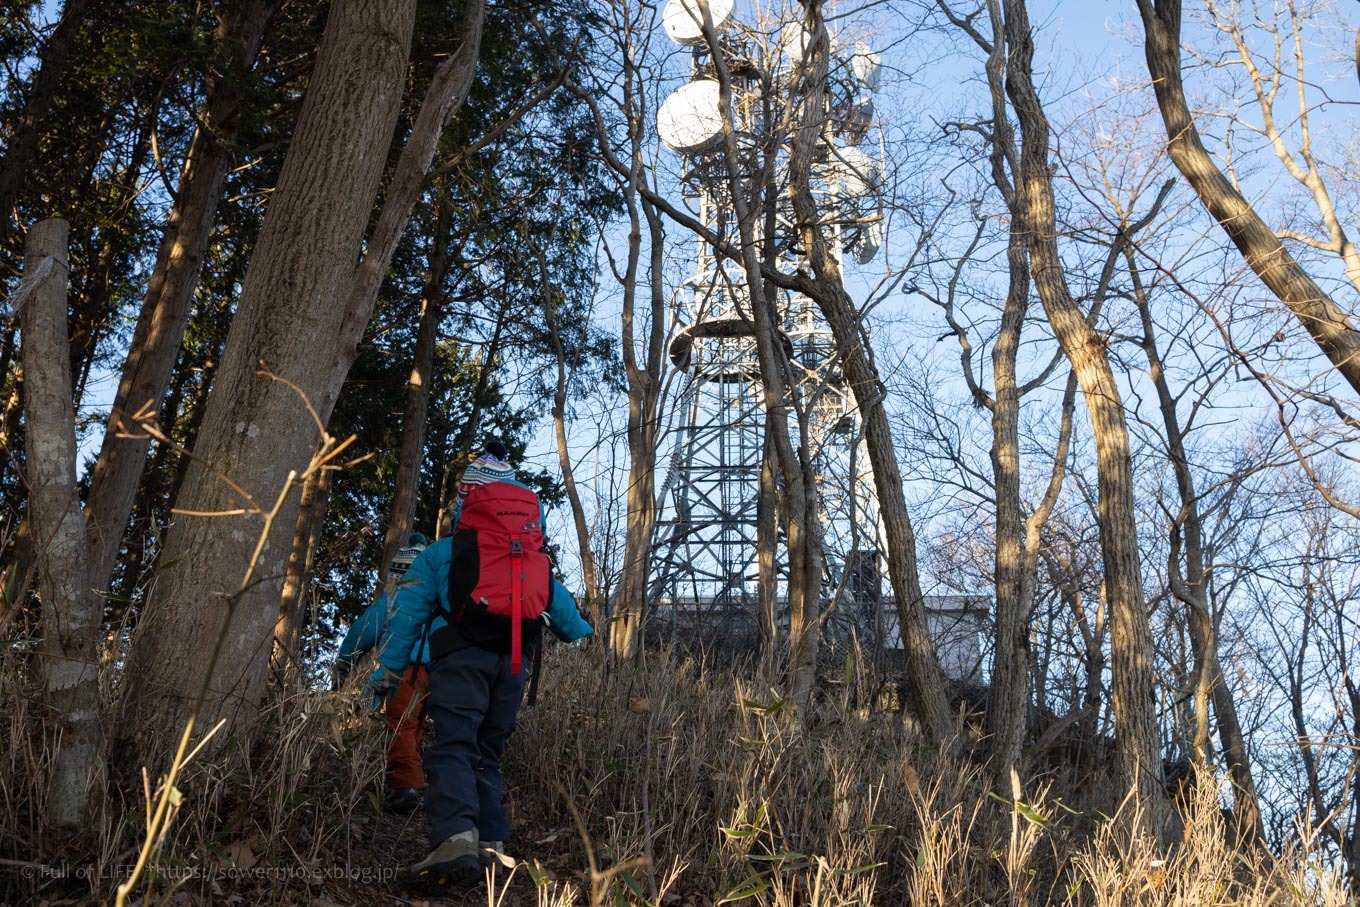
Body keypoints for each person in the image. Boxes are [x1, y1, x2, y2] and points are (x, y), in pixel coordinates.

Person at [368, 443, 593, 889]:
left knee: (454, 746)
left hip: (460, 660)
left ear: (465, 501)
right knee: (488, 753)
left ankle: (454, 842)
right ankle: (492, 847)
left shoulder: (439, 554)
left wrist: (387, 674)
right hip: (515, 666)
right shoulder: (535, 560)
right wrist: (588, 639)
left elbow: (407, 619)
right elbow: (568, 622)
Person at [335, 532, 431, 811]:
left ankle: (406, 787)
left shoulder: (391, 600)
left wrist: (343, 664)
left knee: (399, 722)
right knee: (415, 722)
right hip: (439, 669)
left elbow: (361, 633)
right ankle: (414, 774)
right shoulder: (435, 603)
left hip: (408, 668)